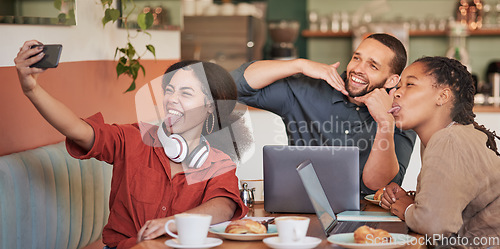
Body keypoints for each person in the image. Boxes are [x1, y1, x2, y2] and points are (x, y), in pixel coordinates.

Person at [14, 40, 248, 249]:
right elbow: (77, 130)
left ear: (210, 107)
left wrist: (173, 223)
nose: (172, 99)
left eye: (186, 93)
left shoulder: (219, 162)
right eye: (169, 90)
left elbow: (225, 206)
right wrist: (31, 89)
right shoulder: (134, 138)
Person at [231, 33, 417, 195]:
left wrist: (385, 123)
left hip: (368, 217)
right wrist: (299, 65)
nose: (358, 69)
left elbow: (378, 185)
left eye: (373, 66)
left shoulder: (400, 113)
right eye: (356, 58)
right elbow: (234, 86)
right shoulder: (308, 89)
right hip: (300, 210)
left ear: (391, 80)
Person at [380, 56, 500, 248]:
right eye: (398, 86)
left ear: (443, 96)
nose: (396, 93)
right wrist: (414, 201)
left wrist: (408, 209)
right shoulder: (445, 136)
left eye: (410, 84)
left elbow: (435, 225)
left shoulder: (448, 140)